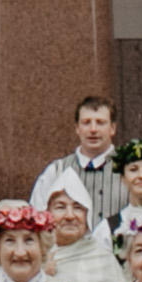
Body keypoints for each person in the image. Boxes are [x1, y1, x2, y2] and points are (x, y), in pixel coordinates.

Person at [31, 94, 128, 231]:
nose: (93, 129)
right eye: (86, 122)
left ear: (113, 128)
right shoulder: (56, 170)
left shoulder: (131, 169)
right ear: (77, 128)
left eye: (100, 122)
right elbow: (37, 218)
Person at [41, 177, 126, 282]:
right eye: (60, 207)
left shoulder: (103, 259)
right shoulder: (36, 256)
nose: (70, 216)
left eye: (78, 208)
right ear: (47, 213)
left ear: (87, 216)